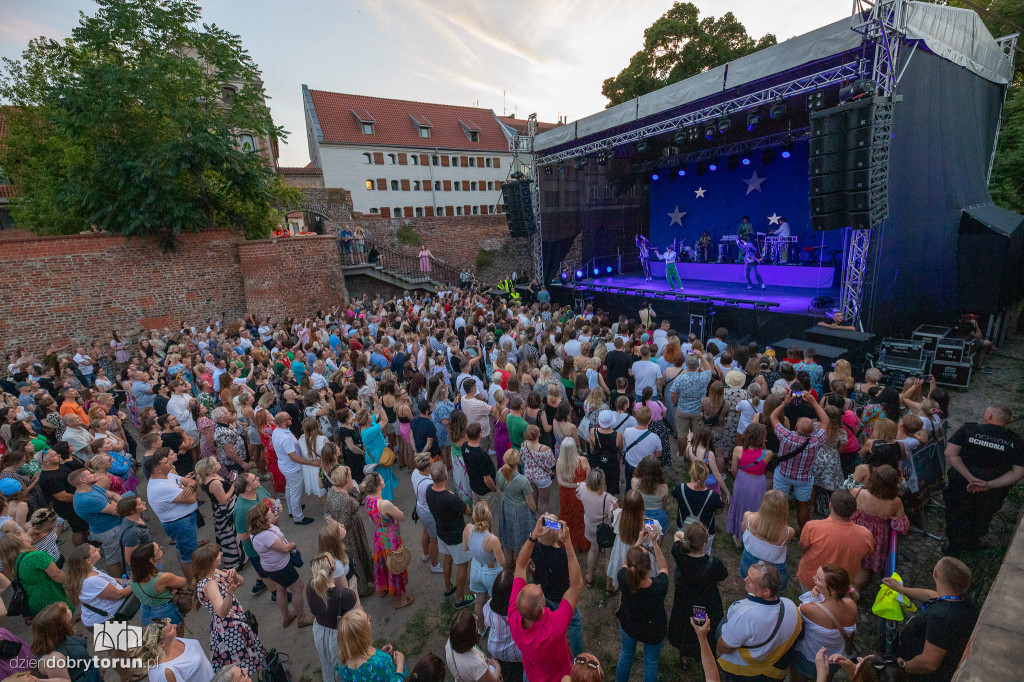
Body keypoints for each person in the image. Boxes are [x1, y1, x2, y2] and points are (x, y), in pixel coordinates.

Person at [509, 515, 584, 682]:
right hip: (559, 676)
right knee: (575, 623)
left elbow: (520, 566)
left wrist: (532, 537)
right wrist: (569, 543)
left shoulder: (513, 615)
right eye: (538, 590)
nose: (539, 585)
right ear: (542, 606)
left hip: (532, 674)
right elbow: (577, 586)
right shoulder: (555, 626)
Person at [882, 556, 979, 680]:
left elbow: (929, 663)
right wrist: (900, 589)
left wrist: (902, 665)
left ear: (935, 573)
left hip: (919, 675)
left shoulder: (941, 618)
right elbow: (929, 595)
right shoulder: (963, 600)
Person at [942, 405, 1024, 553]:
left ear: (990, 416)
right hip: (993, 490)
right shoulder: (1015, 441)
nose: (985, 412)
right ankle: (972, 543)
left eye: (987, 410)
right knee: (983, 515)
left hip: (962, 482)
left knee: (957, 512)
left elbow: (950, 453)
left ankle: (952, 546)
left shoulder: (969, 430)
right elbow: (1018, 472)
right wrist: (990, 485)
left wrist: (970, 478)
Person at [717, 562, 802, 680]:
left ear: (765, 592)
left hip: (743, 672)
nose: (745, 579)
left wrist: (718, 652)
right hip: (774, 672)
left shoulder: (743, 614)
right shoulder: (791, 606)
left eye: (750, 580)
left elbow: (726, 646)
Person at [193, 543, 267, 675]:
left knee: (245, 656)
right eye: (217, 554)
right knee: (241, 661)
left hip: (235, 621)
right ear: (210, 562)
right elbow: (221, 612)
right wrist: (229, 594)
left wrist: (235, 575)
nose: (221, 554)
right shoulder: (210, 584)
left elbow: (241, 581)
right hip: (230, 628)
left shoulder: (214, 572)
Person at [667, 521, 727, 670]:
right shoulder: (714, 564)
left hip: (685, 600)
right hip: (704, 603)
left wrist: (684, 536)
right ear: (705, 542)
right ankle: (703, 654)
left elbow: (676, 535)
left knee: (685, 627)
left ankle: (685, 656)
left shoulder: (679, 553)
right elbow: (723, 576)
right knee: (703, 628)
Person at [247, 500, 314, 628]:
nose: (272, 511)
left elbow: (272, 521)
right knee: (298, 587)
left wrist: (275, 514)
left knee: (281, 589)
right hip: (281, 567)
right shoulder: (266, 536)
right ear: (263, 520)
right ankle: (302, 618)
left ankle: (287, 617)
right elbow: (284, 548)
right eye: (269, 512)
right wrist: (292, 545)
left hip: (270, 567)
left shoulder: (255, 531)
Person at [769, 391, 827, 531]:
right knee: (803, 506)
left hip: (783, 474)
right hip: (804, 478)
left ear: (795, 427)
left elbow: (773, 416)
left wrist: (785, 402)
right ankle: (803, 532)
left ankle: (778, 529)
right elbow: (826, 421)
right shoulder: (816, 440)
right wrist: (813, 402)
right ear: (813, 430)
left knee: (779, 503)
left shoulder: (787, 436)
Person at [614, 537, 669, 682]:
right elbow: (664, 568)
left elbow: (626, 562)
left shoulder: (623, 577)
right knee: (650, 664)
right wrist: (654, 542)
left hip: (629, 623)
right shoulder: (659, 586)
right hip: (653, 629)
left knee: (626, 654)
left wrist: (638, 541)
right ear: (649, 566)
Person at [797, 489, 874, 592]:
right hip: (840, 585)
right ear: (855, 510)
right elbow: (867, 551)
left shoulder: (812, 527)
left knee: (806, 606)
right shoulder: (866, 535)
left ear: (830, 505)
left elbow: (802, 548)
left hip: (812, 580)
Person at [791, 565, 858, 682]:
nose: (813, 578)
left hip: (808, 657)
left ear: (831, 590)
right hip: (833, 659)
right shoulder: (851, 604)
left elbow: (801, 607)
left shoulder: (809, 609)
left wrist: (815, 596)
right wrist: (822, 593)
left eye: (818, 579)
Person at [143, 448, 199, 582]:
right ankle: (194, 584)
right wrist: (192, 489)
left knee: (184, 550)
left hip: (184, 520)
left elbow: (190, 482)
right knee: (189, 557)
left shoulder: (169, 475)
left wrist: (190, 487)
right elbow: (191, 499)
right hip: (180, 523)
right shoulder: (161, 487)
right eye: (166, 462)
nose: (170, 463)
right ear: (158, 470)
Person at [850, 465, 909, 591]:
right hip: (877, 540)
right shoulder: (895, 502)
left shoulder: (857, 493)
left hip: (854, 533)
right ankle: (856, 592)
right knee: (866, 568)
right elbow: (902, 526)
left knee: (849, 559)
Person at [362, 470, 415, 609]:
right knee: (395, 565)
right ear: (378, 486)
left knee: (383, 562)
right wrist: (395, 508)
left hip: (378, 535)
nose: (383, 480)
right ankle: (398, 600)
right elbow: (401, 517)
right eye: (381, 479)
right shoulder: (384, 504)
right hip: (390, 537)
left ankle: (385, 587)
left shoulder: (368, 499)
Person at [426, 462, 474, 609]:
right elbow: (468, 510)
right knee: (462, 565)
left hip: (442, 532)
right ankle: (460, 599)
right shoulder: (451, 498)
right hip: (456, 536)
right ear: (446, 476)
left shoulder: (429, 490)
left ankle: (448, 588)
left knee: (447, 558)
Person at [307, 552, 359, 682]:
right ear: (334, 566)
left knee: (327, 665)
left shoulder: (310, 586)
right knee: (343, 669)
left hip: (319, 631)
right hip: (339, 636)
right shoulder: (345, 595)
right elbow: (354, 618)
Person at [324, 465, 375, 598]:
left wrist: (333, 523)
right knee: (356, 556)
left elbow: (326, 513)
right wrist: (338, 526)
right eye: (350, 477)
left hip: (341, 530)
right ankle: (363, 588)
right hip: (351, 532)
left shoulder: (331, 491)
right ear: (346, 480)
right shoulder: (346, 499)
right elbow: (344, 523)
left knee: (351, 556)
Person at [0, 528, 70, 616]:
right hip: (52, 595)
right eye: (24, 532)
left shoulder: (16, 562)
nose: (27, 534)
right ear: (20, 538)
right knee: (65, 619)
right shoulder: (36, 556)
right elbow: (56, 575)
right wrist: (73, 582)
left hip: (35, 601)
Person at [64, 543, 133, 628]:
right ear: (88, 560)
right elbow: (118, 594)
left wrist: (130, 581)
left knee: (128, 637)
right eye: (95, 550)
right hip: (105, 622)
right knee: (126, 640)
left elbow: (111, 580)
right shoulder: (92, 581)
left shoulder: (89, 569)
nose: (98, 549)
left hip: (110, 616)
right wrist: (136, 585)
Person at [30, 602, 102, 682]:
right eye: (66, 610)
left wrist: (96, 666)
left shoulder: (62, 636)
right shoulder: (53, 660)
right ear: (59, 624)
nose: (68, 608)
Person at [739, 490, 796, 591]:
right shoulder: (788, 532)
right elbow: (785, 547)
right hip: (774, 569)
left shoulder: (748, 517)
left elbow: (743, 529)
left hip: (748, 562)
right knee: (773, 594)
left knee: (749, 588)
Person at [607, 490, 661, 593]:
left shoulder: (618, 516)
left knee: (624, 586)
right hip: (642, 558)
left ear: (625, 505)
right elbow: (657, 545)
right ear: (642, 506)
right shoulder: (652, 525)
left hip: (623, 554)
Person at [728, 423, 773, 543]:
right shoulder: (768, 454)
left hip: (742, 479)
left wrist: (741, 477)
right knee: (756, 506)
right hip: (758, 482)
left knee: (740, 505)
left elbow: (733, 469)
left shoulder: (738, 450)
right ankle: (753, 533)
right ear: (761, 438)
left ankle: (738, 535)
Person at [196, 456, 243, 571]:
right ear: (210, 470)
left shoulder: (212, 477)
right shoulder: (214, 483)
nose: (218, 463)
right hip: (226, 511)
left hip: (225, 509)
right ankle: (236, 561)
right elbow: (223, 500)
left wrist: (228, 479)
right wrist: (233, 485)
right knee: (231, 535)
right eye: (215, 463)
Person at [134, 617, 215, 682]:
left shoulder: (173, 640)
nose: (175, 625)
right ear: (161, 643)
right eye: (170, 629)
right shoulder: (164, 672)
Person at [336, 607, 406, 682]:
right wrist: (400, 665)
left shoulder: (342, 662)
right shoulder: (379, 663)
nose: (370, 617)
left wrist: (380, 653)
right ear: (364, 632)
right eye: (368, 619)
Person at [271, 411, 315, 525]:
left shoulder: (278, 431)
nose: (292, 419)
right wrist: (310, 462)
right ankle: (298, 517)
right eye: (289, 418)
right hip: (293, 468)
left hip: (285, 466)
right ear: (284, 422)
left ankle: (292, 510)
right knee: (295, 493)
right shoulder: (286, 438)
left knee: (290, 488)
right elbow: (294, 457)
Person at [577, 467, 617, 588]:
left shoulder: (582, 489)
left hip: (590, 526)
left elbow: (579, 493)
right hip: (605, 529)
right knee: (609, 555)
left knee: (593, 550)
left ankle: (589, 577)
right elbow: (616, 517)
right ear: (602, 483)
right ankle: (609, 586)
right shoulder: (608, 498)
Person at [130, 542, 188, 625]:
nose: (161, 550)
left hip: (145, 612)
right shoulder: (163, 578)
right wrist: (170, 586)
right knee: (175, 636)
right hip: (165, 612)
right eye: (159, 549)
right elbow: (182, 581)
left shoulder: (134, 577)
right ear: (151, 560)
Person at [495, 448, 537, 559]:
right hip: (520, 511)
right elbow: (530, 502)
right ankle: (523, 562)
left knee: (508, 535)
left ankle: (509, 561)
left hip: (505, 507)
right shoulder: (523, 480)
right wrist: (534, 512)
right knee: (522, 537)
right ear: (518, 462)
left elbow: (499, 490)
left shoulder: (500, 473)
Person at [672, 460, 723, 549]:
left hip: (683, 527)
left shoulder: (679, 489)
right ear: (706, 476)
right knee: (705, 553)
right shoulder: (714, 496)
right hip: (705, 532)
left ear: (690, 473)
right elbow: (719, 512)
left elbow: (675, 501)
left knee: (683, 550)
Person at [483, 570, 524, 682]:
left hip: (495, 649)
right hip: (517, 653)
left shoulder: (488, 607)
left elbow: (488, 623)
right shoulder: (520, 610)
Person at [445, 609, 502, 682]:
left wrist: (487, 660)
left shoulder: (450, 641)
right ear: (470, 637)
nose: (476, 621)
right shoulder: (477, 663)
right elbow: (493, 680)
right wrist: (497, 667)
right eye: (474, 622)